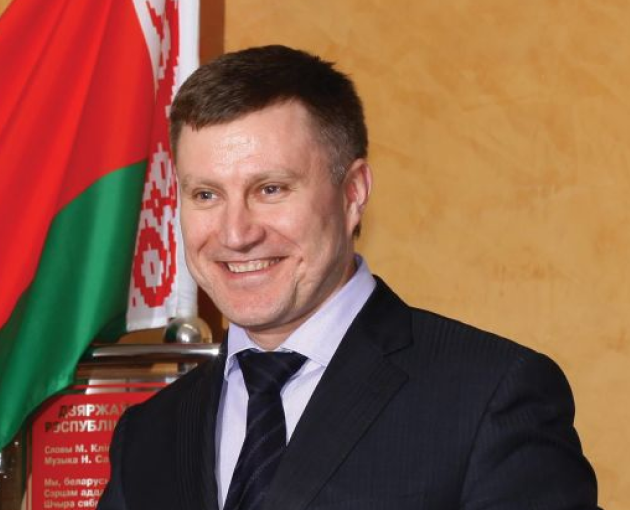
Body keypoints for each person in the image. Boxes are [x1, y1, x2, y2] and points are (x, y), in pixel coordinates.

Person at [98, 45, 601, 510]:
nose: (236, 233)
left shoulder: (489, 396)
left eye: (271, 189)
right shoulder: (148, 434)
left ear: (353, 192)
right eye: (206, 195)